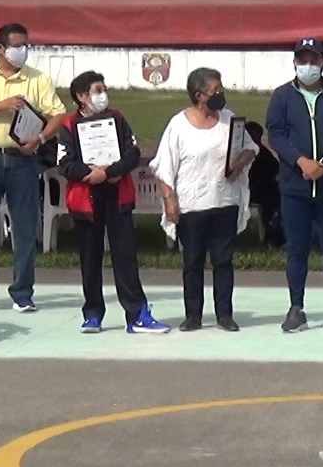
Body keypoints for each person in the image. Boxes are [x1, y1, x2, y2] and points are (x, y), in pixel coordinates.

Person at [0, 23, 63, 314]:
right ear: (0, 49)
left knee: (25, 226)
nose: (23, 51)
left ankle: (23, 292)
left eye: (26, 45)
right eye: (17, 46)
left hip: (22, 159)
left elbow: (58, 114)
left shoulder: (38, 78)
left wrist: (40, 138)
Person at [56, 71, 169, 335]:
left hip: (117, 194)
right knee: (90, 258)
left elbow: (133, 153)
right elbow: (64, 163)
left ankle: (137, 314)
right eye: (97, 90)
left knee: (125, 256)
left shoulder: (117, 119)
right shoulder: (69, 126)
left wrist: (108, 172)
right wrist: (89, 173)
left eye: (104, 89)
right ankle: (93, 313)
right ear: (81, 96)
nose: (103, 95)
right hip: (86, 198)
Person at [266, 38, 323, 334]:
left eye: (313, 60)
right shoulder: (282, 96)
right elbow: (276, 134)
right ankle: (296, 308)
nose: (308, 66)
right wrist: (301, 161)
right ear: (294, 62)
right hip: (295, 188)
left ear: (322, 62)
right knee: (296, 249)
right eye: (302, 60)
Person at [153, 68, 256, 332]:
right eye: (216, 92)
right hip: (192, 205)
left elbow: (250, 148)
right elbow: (164, 167)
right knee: (193, 261)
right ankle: (193, 315)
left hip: (224, 201)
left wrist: (240, 164)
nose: (221, 96)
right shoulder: (178, 125)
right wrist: (169, 201)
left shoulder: (228, 120)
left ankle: (224, 314)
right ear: (199, 96)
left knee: (223, 260)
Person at [245, 120, 282, 246]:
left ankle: (274, 234)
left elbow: (275, 170)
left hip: (263, 191)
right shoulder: (238, 154)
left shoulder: (264, 154)